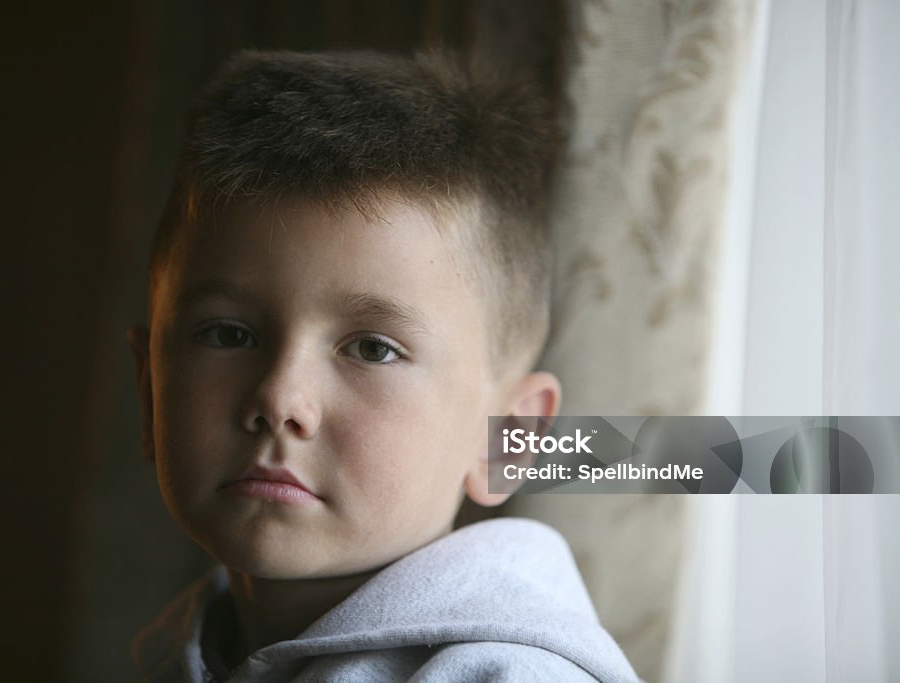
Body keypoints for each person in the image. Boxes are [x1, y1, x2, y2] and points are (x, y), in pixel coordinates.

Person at [128, 48, 638, 682]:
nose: (280, 398)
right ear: (149, 390)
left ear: (508, 437)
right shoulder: (173, 653)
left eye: (373, 348)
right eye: (229, 333)